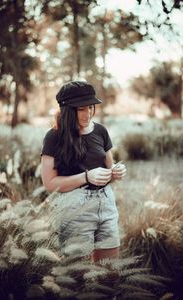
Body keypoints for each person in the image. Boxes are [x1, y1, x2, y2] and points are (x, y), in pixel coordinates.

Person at [41, 81, 126, 262]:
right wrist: (86, 177)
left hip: (106, 203)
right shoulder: (53, 137)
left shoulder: (101, 131)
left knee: (110, 273)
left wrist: (116, 172)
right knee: (77, 277)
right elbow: (49, 183)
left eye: (90, 107)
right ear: (67, 111)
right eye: (81, 109)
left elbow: (109, 169)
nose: (87, 114)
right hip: (74, 207)